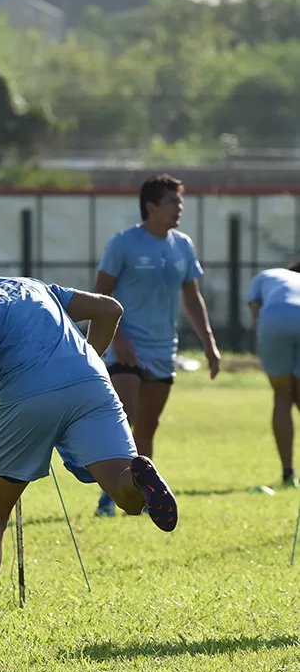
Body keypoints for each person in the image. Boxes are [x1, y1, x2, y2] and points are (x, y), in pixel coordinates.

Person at [0, 241, 178, 657]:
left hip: (29, 395)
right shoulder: (30, 285)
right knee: (126, 497)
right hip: (92, 383)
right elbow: (109, 309)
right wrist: (87, 361)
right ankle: (140, 476)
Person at [92, 174, 220, 516]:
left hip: (164, 349)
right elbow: (101, 293)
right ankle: (110, 493)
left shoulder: (183, 245)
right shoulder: (124, 243)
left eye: (180, 202)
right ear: (151, 207)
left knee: (148, 425)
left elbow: (192, 296)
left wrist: (209, 343)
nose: (179, 208)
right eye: (172, 202)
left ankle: (145, 495)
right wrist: (118, 337)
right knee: (125, 417)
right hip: (127, 347)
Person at [250, 264, 300, 488]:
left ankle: (288, 473)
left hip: (275, 319)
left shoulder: (265, 276)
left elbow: (255, 312)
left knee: (282, 395)